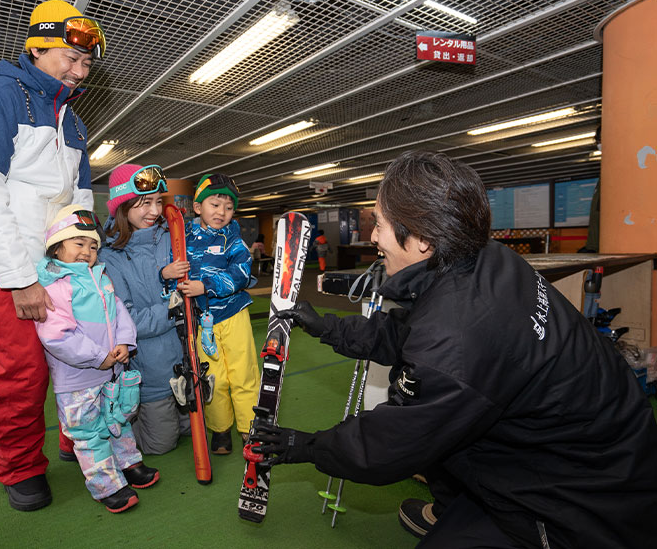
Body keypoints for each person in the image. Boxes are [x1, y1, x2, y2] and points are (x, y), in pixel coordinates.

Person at [251, 151, 657, 548]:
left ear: (424, 239)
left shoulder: (459, 338)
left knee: (426, 424)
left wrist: (305, 446)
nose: (373, 236)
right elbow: (411, 334)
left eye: (381, 224)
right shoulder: (481, 257)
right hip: (598, 443)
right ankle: (454, 508)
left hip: (582, 502)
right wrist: (331, 328)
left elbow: (388, 445)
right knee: (438, 418)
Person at [0, 0, 106, 511]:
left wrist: (81, 258)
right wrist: (18, 278)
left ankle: (77, 438)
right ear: (36, 47)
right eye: (70, 58)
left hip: (52, 260)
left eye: (87, 64)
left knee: (77, 352)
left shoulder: (74, 122)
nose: (80, 71)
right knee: (24, 368)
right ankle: (20, 468)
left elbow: (80, 203)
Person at [35, 205, 158, 513]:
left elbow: (120, 314)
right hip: (77, 381)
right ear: (56, 248)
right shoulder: (54, 287)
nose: (86, 251)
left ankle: (128, 465)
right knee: (89, 434)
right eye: (78, 244)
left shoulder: (101, 280)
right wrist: (98, 356)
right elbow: (55, 335)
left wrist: (124, 342)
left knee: (118, 422)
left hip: (109, 373)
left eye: (92, 246)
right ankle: (107, 486)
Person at [98, 163, 193, 455]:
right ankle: (118, 425)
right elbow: (128, 321)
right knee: (161, 445)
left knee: (193, 429)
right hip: (149, 368)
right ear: (123, 207)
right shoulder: (110, 256)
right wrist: (172, 308)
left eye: (157, 202)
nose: (154, 211)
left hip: (184, 363)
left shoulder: (170, 236)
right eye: (144, 204)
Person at [179, 174, 260, 455]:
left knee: (243, 375)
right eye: (215, 204)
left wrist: (207, 286)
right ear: (198, 207)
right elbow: (173, 272)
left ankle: (251, 430)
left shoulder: (234, 239)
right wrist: (166, 276)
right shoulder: (183, 237)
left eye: (228, 207)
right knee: (213, 377)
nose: (222, 212)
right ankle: (221, 430)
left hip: (234, 314)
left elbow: (241, 273)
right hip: (202, 321)